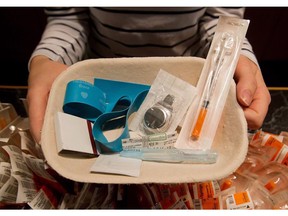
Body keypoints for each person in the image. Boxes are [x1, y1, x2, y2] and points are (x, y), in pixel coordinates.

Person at [27, 7, 271, 144]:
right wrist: (46, 61)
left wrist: (235, 57)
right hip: (103, 89)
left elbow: (222, 21)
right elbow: (69, 17)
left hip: (191, 88)